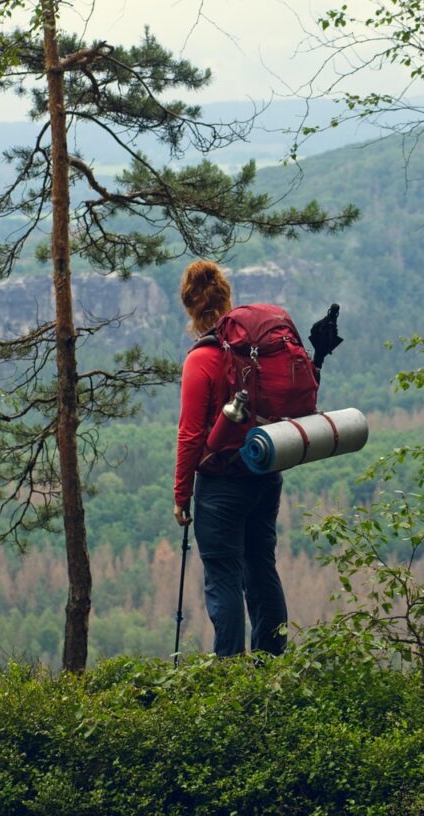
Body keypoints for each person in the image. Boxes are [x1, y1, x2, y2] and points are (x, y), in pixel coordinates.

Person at [173, 259, 288, 657]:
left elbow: (190, 435)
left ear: (190, 306)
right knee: (261, 569)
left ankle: (230, 681)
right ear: (226, 299)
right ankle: (273, 667)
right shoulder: (253, 352)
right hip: (266, 470)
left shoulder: (201, 360)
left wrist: (180, 494)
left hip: (221, 486)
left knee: (223, 578)